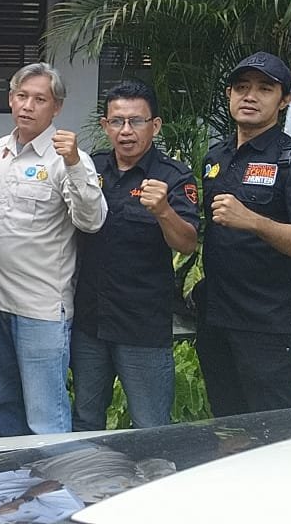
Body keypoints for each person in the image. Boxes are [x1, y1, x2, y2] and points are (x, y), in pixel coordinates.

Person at [196, 52, 291, 415]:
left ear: (284, 100)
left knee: (270, 430)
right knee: (227, 425)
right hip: (217, 318)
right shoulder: (216, 158)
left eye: (264, 89)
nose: (250, 96)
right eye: (241, 87)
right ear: (229, 94)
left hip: (268, 324)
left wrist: (254, 221)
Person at [0, 62, 106, 436]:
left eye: (39, 99)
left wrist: (73, 163)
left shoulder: (68, 158)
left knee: (45, 416)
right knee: (4, 407)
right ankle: (16, 477)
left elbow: (92, 221)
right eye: (21, 96)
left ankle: (53, 478)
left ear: (57, 107)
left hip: (40, 309)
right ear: (10, 99)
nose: (28, 106)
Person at [71, 81, 199, 430]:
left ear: (154, 126)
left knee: (151, 426)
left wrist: (164, 211)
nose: (126, 131)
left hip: (142, 326)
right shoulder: (91, 168)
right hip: (90, 323)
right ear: (105, 125)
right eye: (117, 121)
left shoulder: (173, 176)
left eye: (136, 121)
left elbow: (187, 243)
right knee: (85, 422)